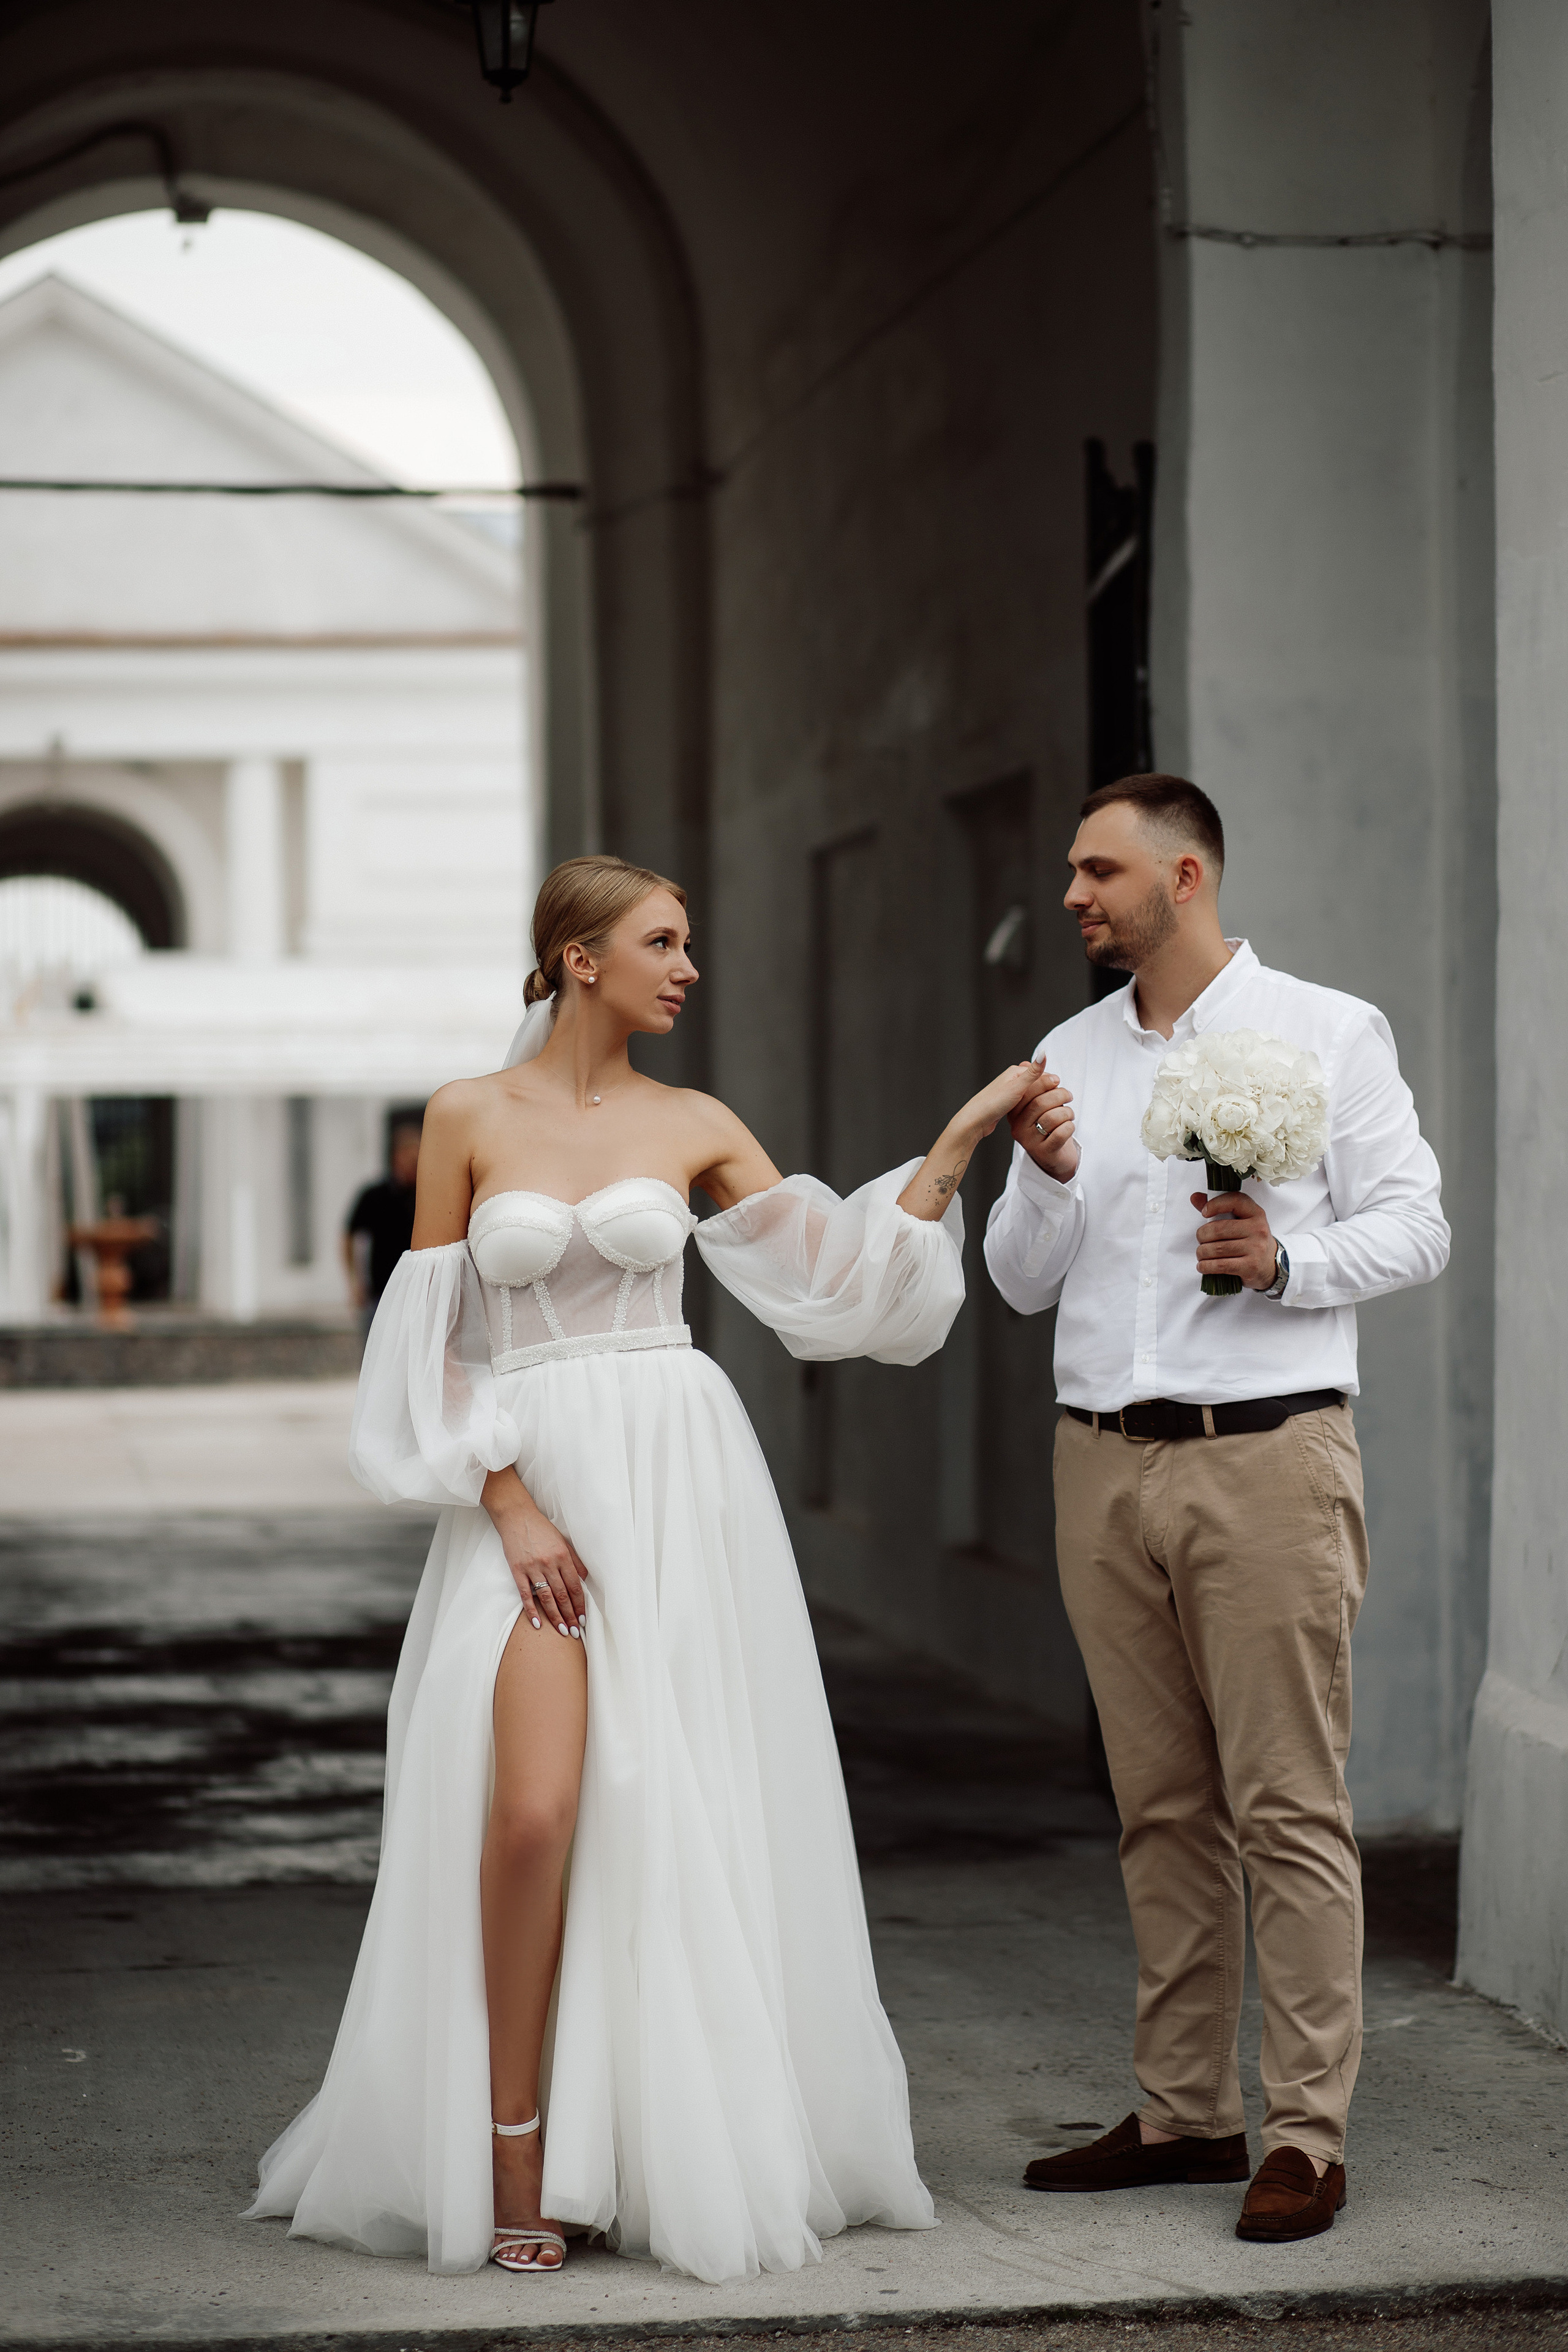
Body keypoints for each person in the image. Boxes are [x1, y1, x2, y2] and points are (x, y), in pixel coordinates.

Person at [247, 852, 1052, 2283]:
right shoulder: (464, 1115)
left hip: (675, 1477)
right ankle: (507, 2145)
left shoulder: (694, 1123)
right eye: (662, 941)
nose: (687, 966)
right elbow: (421, 1345)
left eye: (687, 942)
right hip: (526, 1487)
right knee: (534, 1809)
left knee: (665, 1802)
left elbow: (837, 1291)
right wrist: (508, 1502)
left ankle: (628, 2149)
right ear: (577, 957)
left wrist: (950, 1152)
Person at [984, 774, 1449, 2246]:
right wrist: (1048, 1181)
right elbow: (1014, 1272)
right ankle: (1182, 2107)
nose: (1071, 893)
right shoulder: (1066, 1048)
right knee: (1156, 1806)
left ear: (1182, 877)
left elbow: (1415, 1221)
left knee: (1285, 1805)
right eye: (1069, 868)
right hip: (1098, 1460)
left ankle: (1303, 2130)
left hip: (1263, 1456)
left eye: (1095, 868)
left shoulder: (1325, 1029)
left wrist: (1284, 1262)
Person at [344, 1114, 422, 1338]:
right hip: (380, 1292)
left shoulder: (425, 1196)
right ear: (397, 1157)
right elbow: (348, 1237)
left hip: (416, 1293)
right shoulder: (375, 1195)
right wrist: (354, 1282)